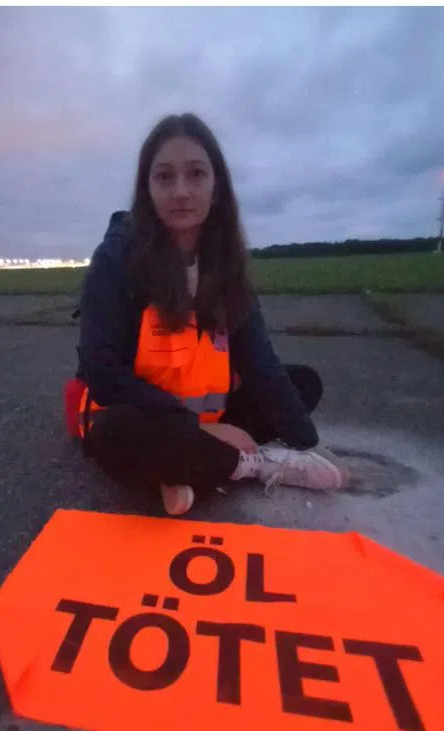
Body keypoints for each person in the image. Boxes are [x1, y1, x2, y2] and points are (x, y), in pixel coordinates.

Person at [75, 113, 344, 516]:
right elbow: (102, 373)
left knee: (302, 385)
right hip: (140, 416)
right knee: (113, 436)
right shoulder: (117, 259)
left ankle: (186, 470)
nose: (181, 191)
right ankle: (245, 465)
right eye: (164, 177)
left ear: (216, 188)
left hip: (205, 417)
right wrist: (197, 428)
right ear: (146, 190)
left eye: (196, 174)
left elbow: (260, 362)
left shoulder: (226, 264)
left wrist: (310, 446)